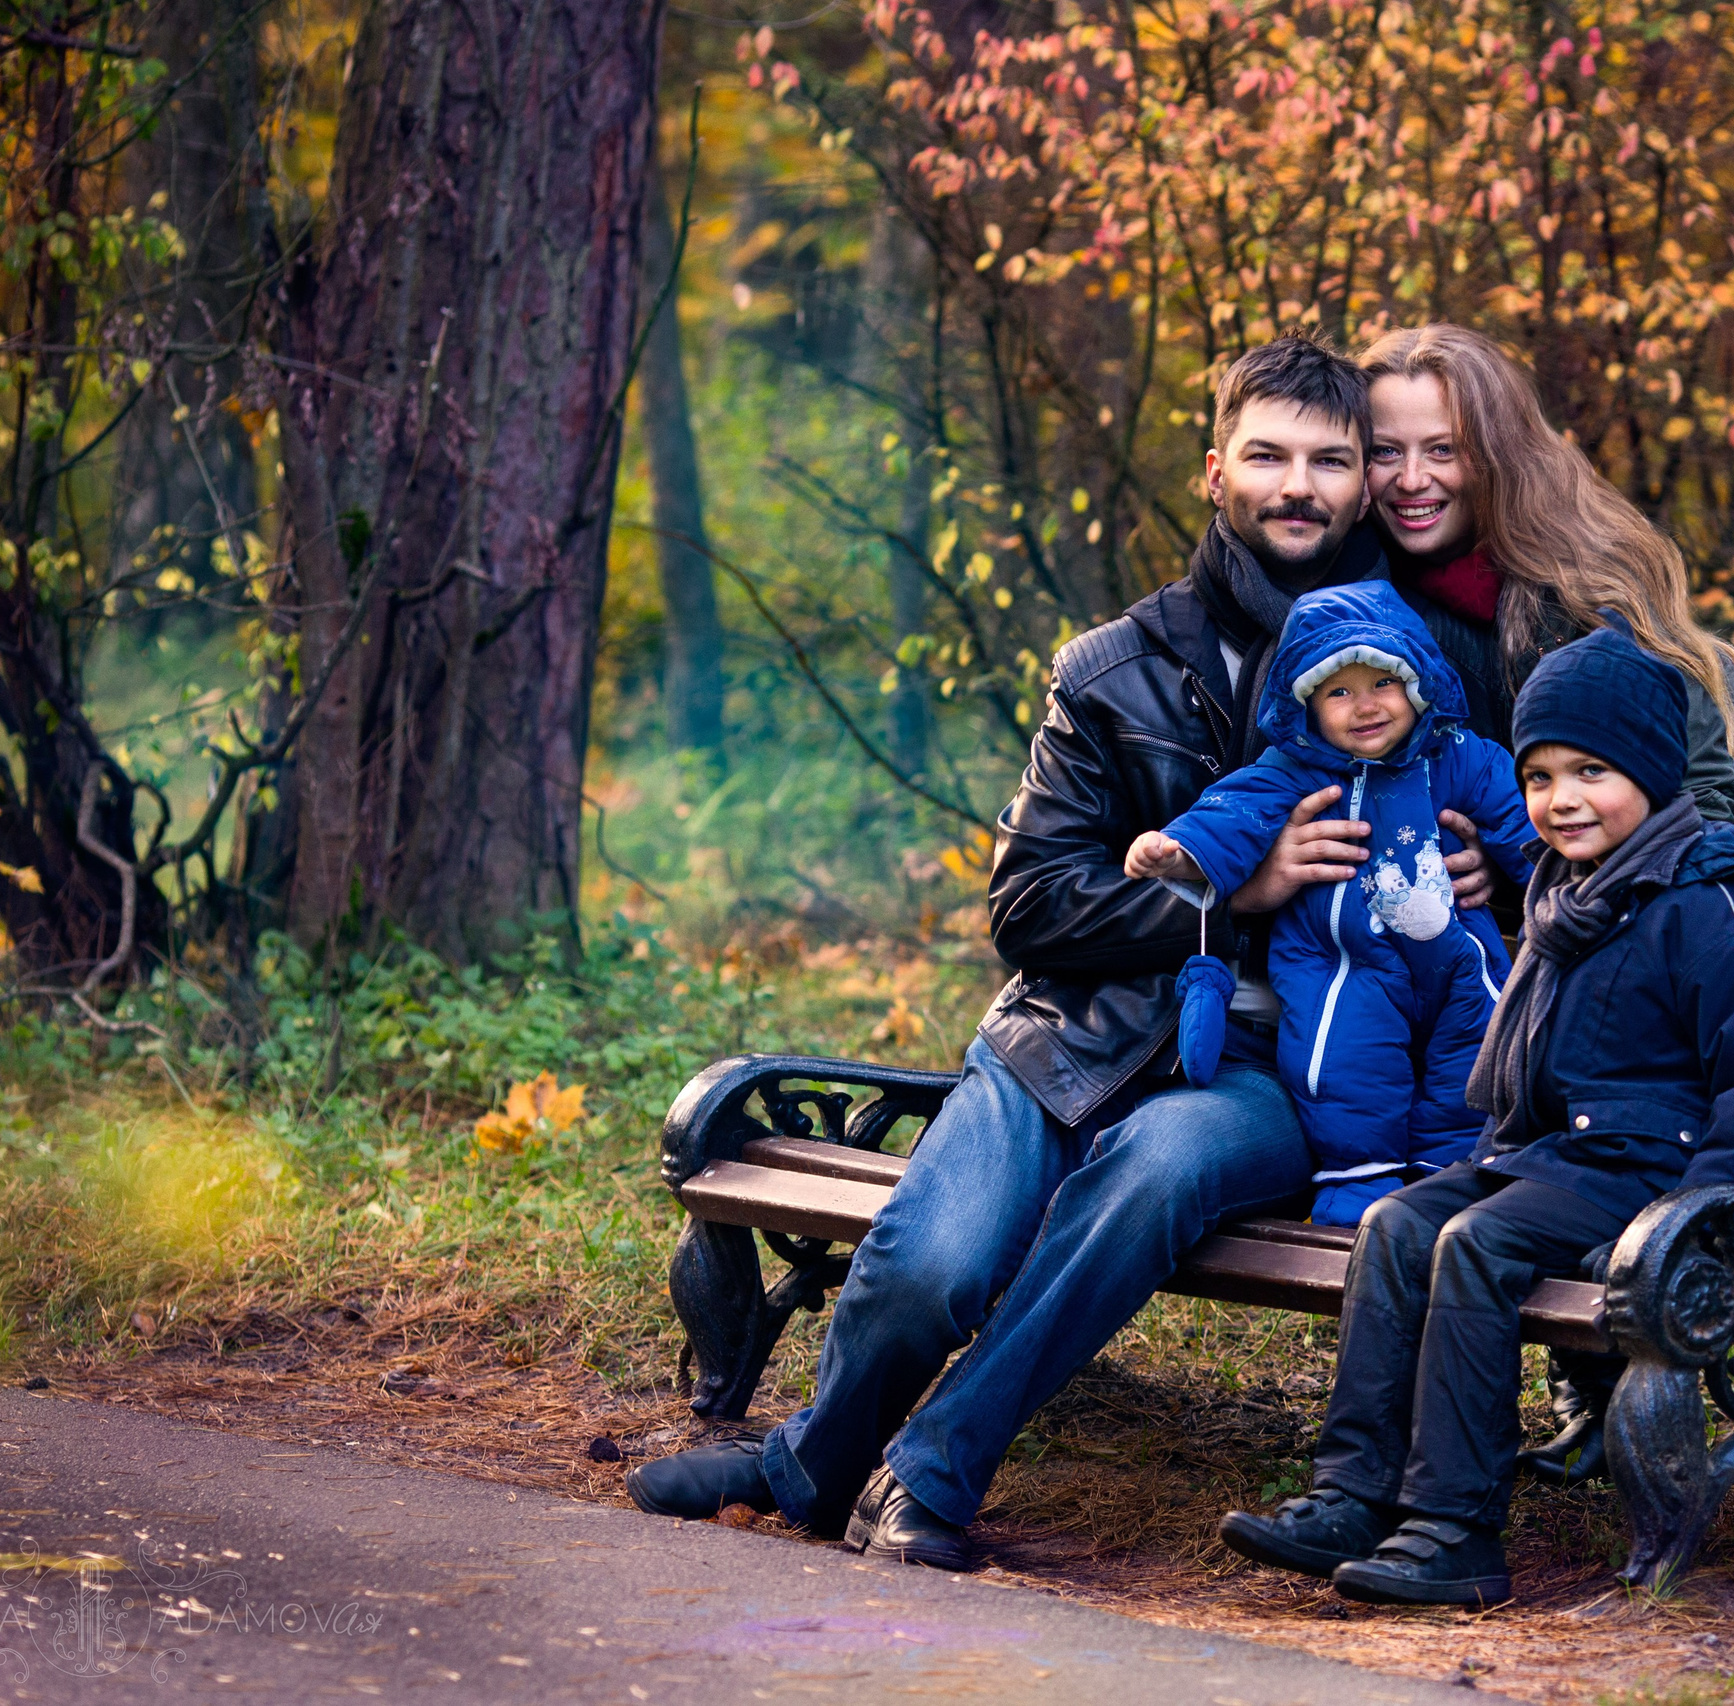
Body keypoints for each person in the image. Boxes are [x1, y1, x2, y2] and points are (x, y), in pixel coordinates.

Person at [624, 338, 1501, 1568]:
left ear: (1362, 485)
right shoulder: (1114, 670)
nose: (1297, 484)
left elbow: (1524, 817)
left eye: (1328, 460)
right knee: (932, 1263)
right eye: (1267, 456)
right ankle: (812, 1465)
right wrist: (1228, 892)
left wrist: (1489, 871)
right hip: (1071, 1031)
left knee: (1150, 1169)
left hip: (1272, 1067)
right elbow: (1031, 903)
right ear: (1214, 471)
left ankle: (924, 1475)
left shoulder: (1426, 669)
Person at [1214, 615, 1734, 1607]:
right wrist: (1502, 1152)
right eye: (1539, 776)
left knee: (1475, 1241)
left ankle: (1454, 1526)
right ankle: (1352, 1493)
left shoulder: (1713, 905)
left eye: (1590, 770)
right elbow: (1532, 1063)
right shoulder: (1567, 895)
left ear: (1653, 769)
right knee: (1396, 1222)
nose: (1560, 798)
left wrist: (1707, 1224)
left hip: (1653, 1179)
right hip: (1557, 1157)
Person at [1124, 582, 1533, 1226]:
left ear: (1419, 685)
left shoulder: (1461, 758)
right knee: (1344, 1069)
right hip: (1345, 966)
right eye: (1339, 691)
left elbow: (1522, 821)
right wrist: (1181, 851)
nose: (1365, 706)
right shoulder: (1293, 772)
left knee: (1475, 1061)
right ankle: (1358, 1186)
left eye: (1383, 684)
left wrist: (1550, 868)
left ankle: (1453, 1181)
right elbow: (1233, 813)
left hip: (1456, 957)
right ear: (1307, 705)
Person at [1359, 324, 1734, 879]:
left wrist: (1518, 856)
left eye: (1443, 450)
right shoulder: (1355, 602)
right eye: (1386, 451)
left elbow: (1699, 826)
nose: (1412, 479)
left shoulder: (1592, 601)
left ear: (1497, 455)